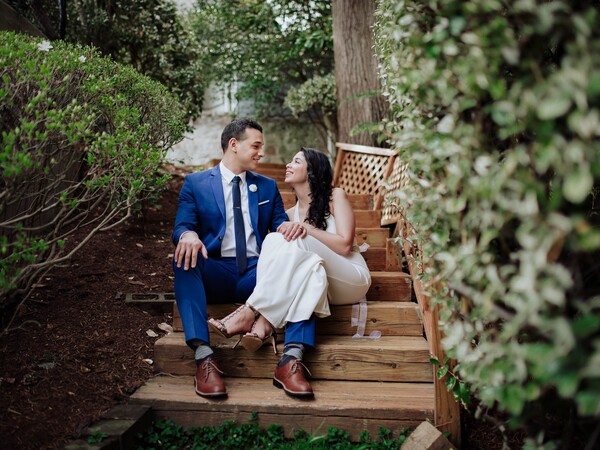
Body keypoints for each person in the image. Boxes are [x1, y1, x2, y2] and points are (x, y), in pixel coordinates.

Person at [208, 147, 372, 398]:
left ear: (312, 170)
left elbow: (345, 245)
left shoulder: (335, 196)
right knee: (287, 249)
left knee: (293, 238)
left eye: (296, 161)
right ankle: (289, 358)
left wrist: (305, 229)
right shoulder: (290, 214)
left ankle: (254, 312)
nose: (288, 164)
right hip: (321, 280)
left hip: (351, 276)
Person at [172, 118, 310, 398]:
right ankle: (204, 356)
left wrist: (289, 228)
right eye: (256, 146)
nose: (262, 153)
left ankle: (291, 358)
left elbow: (279, 225)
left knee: (304, 266)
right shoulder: (196, 183)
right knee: (185, 256)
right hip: (215, 270)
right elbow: (182, 226)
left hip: (258, 274)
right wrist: (188, 235)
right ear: (234, 144)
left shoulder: (267, 186)